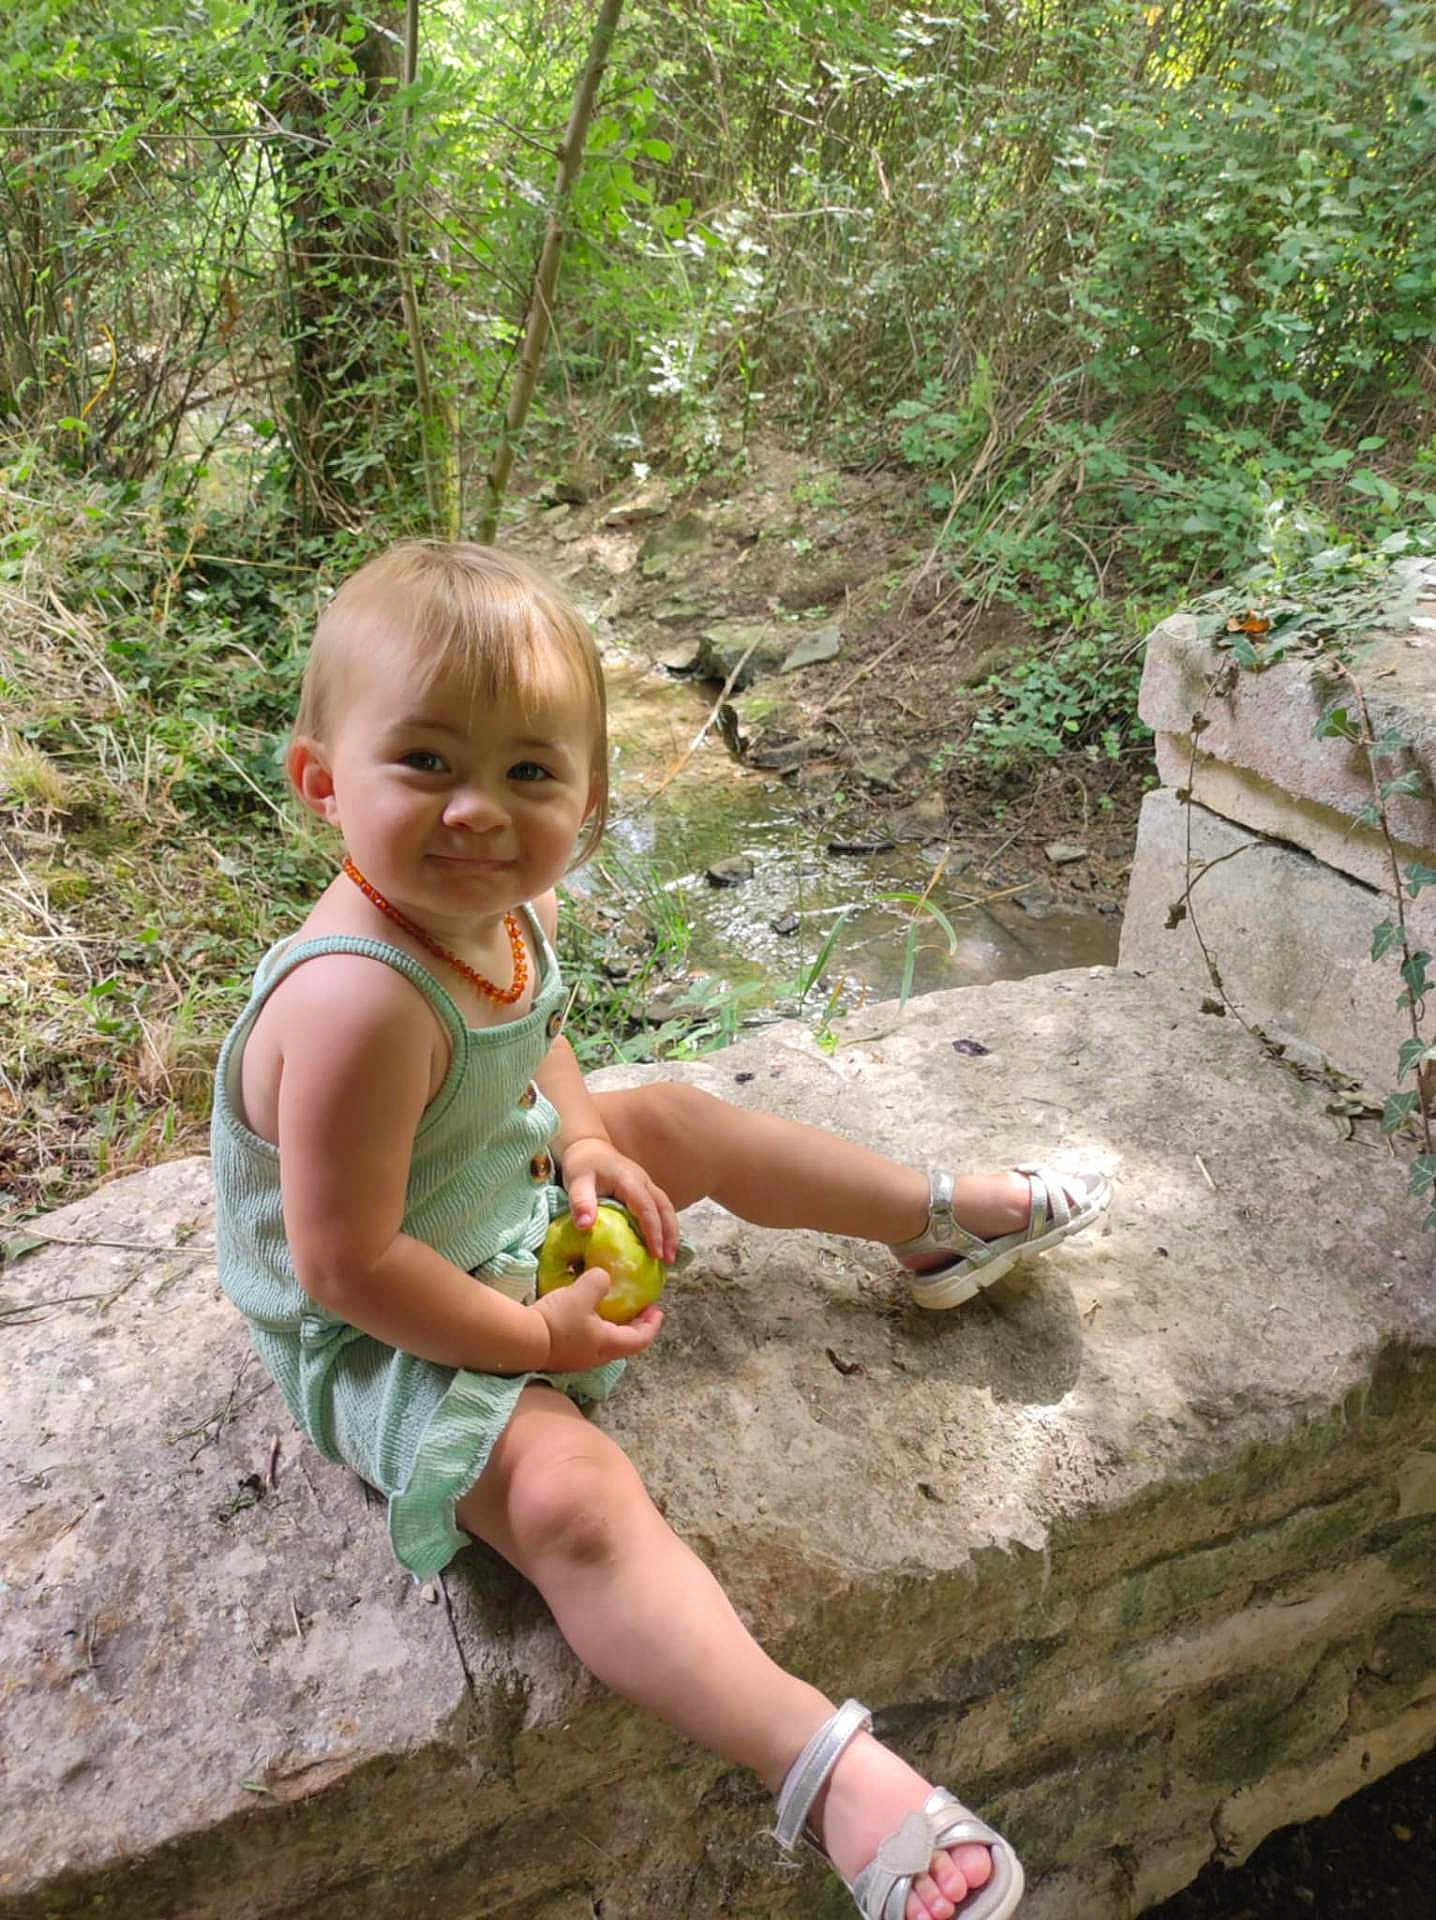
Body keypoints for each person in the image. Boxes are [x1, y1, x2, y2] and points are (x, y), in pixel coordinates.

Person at [210, 542, 1111, 1920]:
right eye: (425, 764)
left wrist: (578, 1139)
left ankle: (930, 1224)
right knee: (570, 1498)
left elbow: (538, 1033)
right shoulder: (353, 1009)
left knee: (672, 1117)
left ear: (590, 795)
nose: (478, 814)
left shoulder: (504, 907)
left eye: (528, 774)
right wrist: (531, 1336)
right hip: (389, 1323)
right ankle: (828, 1774)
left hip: (496, 1204)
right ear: (323, 782)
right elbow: (344, 1265)